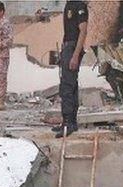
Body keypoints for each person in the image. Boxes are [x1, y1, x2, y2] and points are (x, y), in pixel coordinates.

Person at [53, 1, 88, 137]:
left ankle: (68, 123)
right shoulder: (69, 4)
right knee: (68, 85)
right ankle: (69, 121)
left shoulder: (79, 6)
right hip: (67, 47)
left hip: (73, 48)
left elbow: (83, 31)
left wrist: (75, 55)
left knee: (68, 86)